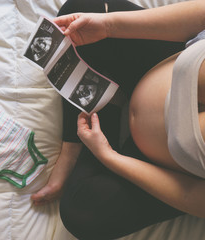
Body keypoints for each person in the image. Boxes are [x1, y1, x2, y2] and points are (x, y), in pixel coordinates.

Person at [30, 0, 205, 239]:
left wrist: (108, 156)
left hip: (162, 169)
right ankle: (76, 139)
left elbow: (194, 196)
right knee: (81, 14)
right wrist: (109, 26)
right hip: (159, 64)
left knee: (85, 215)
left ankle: (95, 127)